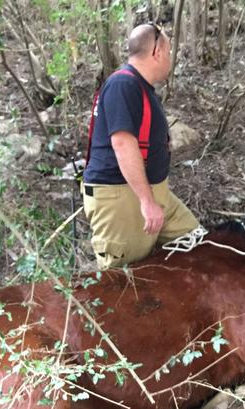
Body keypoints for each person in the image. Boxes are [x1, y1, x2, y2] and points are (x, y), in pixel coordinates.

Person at [83, 23, 199, 269]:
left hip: (154, 194)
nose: (170, 59)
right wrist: (147, 202)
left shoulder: (139, 87)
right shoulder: (123, 85)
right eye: (168, 53)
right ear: (156, 52)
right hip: (122, 197)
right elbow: (123, 144)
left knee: (196, 243)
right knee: (124, 283)